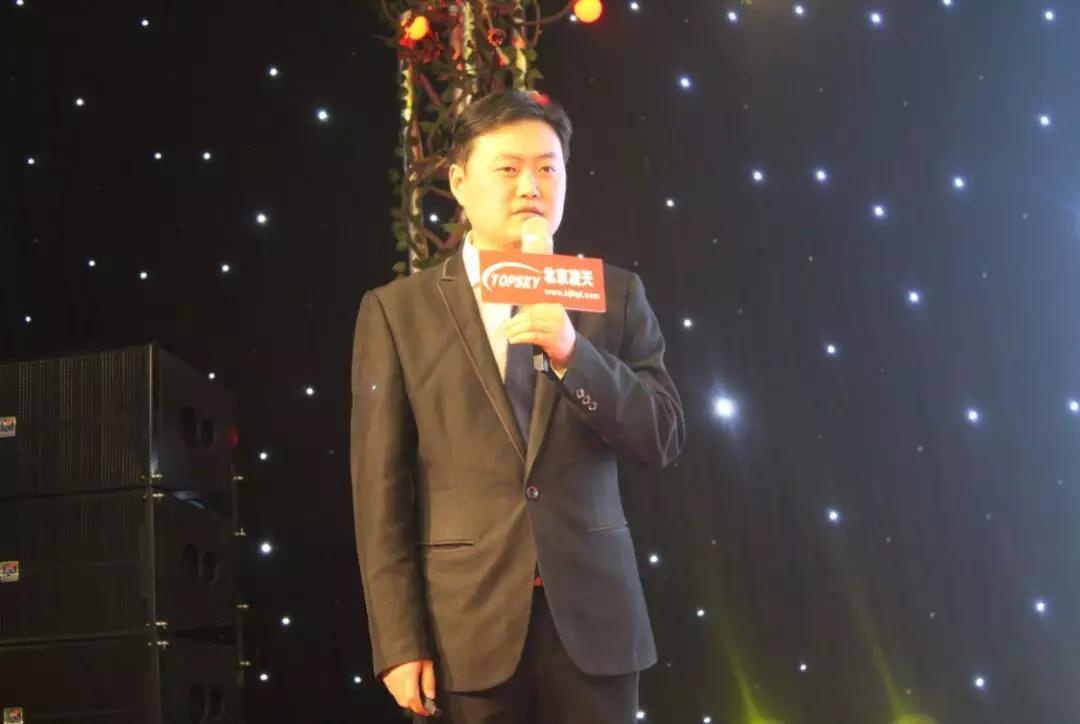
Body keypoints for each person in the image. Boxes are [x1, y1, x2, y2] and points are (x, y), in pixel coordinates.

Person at [350, 88, 685, 724]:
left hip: (596, 623)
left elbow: (662, 435)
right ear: (459, 182)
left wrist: (573, 353)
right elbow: (380, 490)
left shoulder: (612, 295)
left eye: (547, 168)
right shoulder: (398, 311)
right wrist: (398, 639)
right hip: (463, 629)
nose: (530, 186)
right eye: (507, 168)